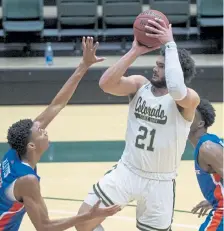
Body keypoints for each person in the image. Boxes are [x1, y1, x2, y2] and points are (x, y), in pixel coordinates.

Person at [75, 18, 200, 231]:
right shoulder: (139, 85)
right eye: (157, 63)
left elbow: (177, 89)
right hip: (128, 170)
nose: (155, 67)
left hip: (160, 182)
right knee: (84, 222)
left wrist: (169, 43)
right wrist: (134, 51)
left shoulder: (187, 100)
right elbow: (106, 84)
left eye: (162, 66)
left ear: (174, 69)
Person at [0, 37, 120, 231]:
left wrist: (84, 66)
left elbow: (57, 104)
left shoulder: (16, 152)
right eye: (40, 131)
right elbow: (45, 227)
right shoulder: (26, 179)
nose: (44, 129)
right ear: (31, 146)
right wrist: (87, 216)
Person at [189, 98, 223, 230]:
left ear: (200, 123)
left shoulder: (207, 147)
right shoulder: (208, 143)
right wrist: (213, 199)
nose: (183, 117)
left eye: (189, 114)